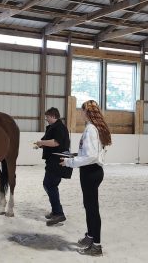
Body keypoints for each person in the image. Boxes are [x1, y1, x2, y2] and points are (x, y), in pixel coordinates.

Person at [60, 100, 111, 257]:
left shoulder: (90, 129)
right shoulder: (95, 128)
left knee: (92, 209)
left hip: (90, 172)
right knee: (89, 207)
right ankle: (90, 236)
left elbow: (91, 156)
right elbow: (91, 154)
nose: (80, 113)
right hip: (92, 171)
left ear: (87, 112)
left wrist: (69, 162)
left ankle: (96, 246)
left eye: (82, 111)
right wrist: (77, 155)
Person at [35, 107, 71, 226]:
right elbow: (48, 141)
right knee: (49, 185)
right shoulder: (53, 127)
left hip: (58, 162)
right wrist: (40, 144)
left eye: (48, 117)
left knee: (50, 184)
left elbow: (56, 142)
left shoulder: (59, 127)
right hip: (53, 161)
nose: (46, 119)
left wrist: (42, 143)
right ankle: (56, 211)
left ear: (54, 116)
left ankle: (59, 213)